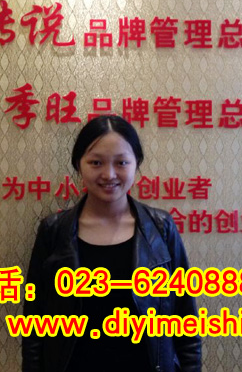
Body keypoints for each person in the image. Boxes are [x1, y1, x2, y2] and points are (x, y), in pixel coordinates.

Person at [22, 115, 201, 372]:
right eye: (96, 162)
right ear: (79, 165)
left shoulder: (161, 228)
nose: (109, 174)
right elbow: (34, 321)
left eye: (121, 162)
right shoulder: (53, 231)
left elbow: (186, 320)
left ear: (136, 164)